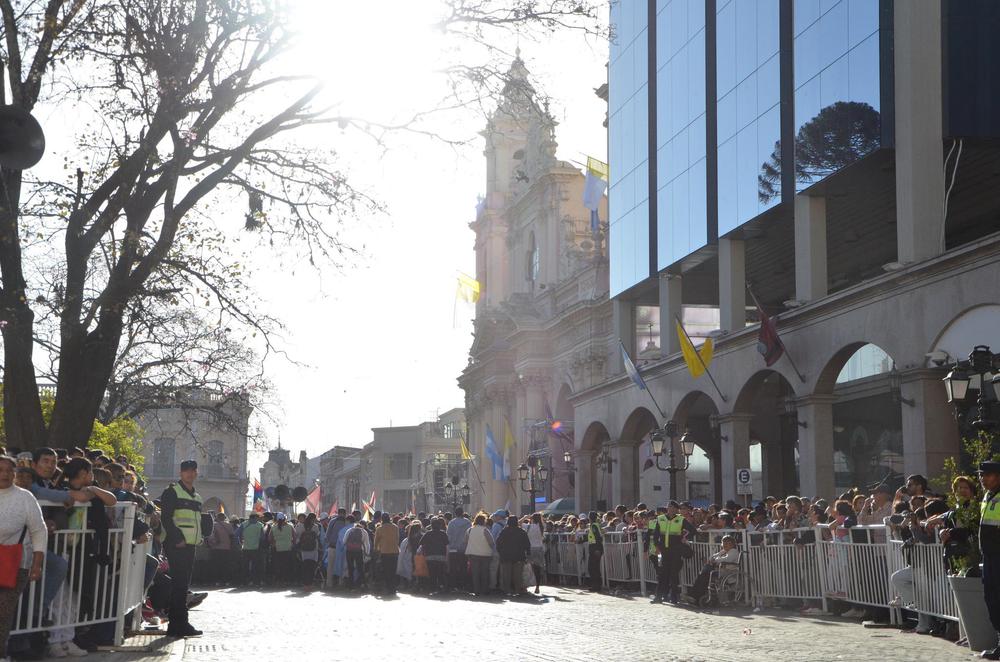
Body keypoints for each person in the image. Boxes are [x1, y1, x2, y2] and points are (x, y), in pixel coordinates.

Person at [0, 455, 46, 661]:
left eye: (10, 470)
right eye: (1, 470)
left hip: (15, 563)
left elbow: (39, 530)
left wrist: (37, 564)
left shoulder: (25, 497)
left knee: (3, 611)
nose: (5, 474)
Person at [159, 459, 205, 638]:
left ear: (196, 473)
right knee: (179, 584)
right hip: (177, 544)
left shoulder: (197, 497)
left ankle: (178, 625)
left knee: (182, 585)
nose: (190, 473)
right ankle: (179, 624)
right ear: (180, 473)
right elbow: (166, 518)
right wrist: (177, 538)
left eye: (193, 470)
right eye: (186, 470)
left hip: (190, 545)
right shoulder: (172, 492)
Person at [979, 461, 1000, 660]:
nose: (983, 479)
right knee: (992, 598)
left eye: (988, 475)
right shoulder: (987, 496)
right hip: (989, 556)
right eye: (981, 475)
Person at [687, 535, 740, 604]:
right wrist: (713, 560)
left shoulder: (734, 551)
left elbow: (725, 559)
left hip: (728, 572)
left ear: (732, 544)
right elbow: (712, 557)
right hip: (719, 570)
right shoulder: (724, 551)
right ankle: (694, 596)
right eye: (724, 543)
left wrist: (714, 560)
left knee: (705, 573)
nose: (725, 545)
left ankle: (695, 596)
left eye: (727, 543)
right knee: (703, 575)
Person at [496, 515, 530, 596]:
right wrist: (528, 554)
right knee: (517, 575)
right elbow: (527, 544)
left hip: (506, 556)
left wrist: (500, 552)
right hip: (519, 556)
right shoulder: (522, 532)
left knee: (506, 574)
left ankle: (507, 590)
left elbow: (498, 543)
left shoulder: (504, 531)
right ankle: (517, 590)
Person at [464, 514, 496, 596]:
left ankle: (476, 590)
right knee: (485, 572)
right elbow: (491, 542)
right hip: (485, 554)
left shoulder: (469, 530)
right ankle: (484, 589)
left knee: (475, 573)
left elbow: (466, 542)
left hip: (473, 554)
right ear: (484, 521)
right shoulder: (485, 530)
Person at [419, 517, 449, 594]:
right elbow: (447, 546)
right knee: (440, 573)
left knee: (432, 573)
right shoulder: (443, 534)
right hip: (441, 557)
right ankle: (441, 586)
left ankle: (432, 588)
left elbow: (421, 543)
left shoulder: (428, 534)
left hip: (430, 557)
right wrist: (447, 557)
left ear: (431, 526)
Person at [373, 512, 399, 595]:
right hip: (395, 551)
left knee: (386, 570)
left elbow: (376, 542)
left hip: (384, 552)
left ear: (382, 519)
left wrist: (376, 550)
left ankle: (388, 587)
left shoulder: (379, 529)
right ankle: (393, 587)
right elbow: (397, 539)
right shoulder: (395, 527)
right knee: (393, 570)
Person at [446, 508, 471, 591]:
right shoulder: (468, 522)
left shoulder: (451, 523)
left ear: (455, 513)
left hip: (453, 548)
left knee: (453, 568)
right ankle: (463, 584)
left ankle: (453, 585)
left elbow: (448, 536)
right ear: (463, 513)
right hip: (464, 548)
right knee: (463, 567)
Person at [206, 512, 234, 586]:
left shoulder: (214, 525)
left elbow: (209, 536)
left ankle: (216, 581)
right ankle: (225, 580)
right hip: (226, 548)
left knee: (216, 565)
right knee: (225, 565)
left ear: (217, 517)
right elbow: (232, 536)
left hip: (215, 548)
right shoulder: (229, 525)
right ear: (224, 518)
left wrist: (211, 544)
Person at [324, 508, 347, 589]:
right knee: (331, 566)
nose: (341, 515)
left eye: (342, 513)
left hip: (341, 548)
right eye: (340, 513)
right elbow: (327, 534)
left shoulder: (346, 522)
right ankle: (329, 583)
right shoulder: (333, 521)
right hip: (333, 547)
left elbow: (327, 535)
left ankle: (340, 583)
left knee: (341, 566)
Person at [269, 513, 294, 586]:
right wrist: (292, 544)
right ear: (285, 519)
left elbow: (269, 538)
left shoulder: (273, 527)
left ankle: (278, 581)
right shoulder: (290, 527)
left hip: (277, 549)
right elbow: (295, 537)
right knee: (286, 566)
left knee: (277, 566)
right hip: (288, 548)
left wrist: (274, 544)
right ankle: (286, 581)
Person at [241, 513, 265, 587]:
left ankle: (245, 582)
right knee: (255, 566)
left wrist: (241, 542)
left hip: (245, 548)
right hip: (255, 549)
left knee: (245, 566)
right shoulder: (260, 525)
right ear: (255, 518)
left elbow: (236, 534)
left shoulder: (243, 524)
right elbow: (262, 538)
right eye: (257, 518)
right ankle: (255, 582)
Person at [298, 513, 320, 589]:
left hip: (304, 550)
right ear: (313, 519)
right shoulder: (316, 527)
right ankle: (310, 584)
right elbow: (317, 536)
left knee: (305, 567)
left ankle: (305, 584)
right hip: (313, 550)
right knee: (311, 567)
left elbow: (298, 537)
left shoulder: (301, 526)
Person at [524, 512, 545, 594]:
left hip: (530, 548)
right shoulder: (541, 527)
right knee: (537, 568)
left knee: (528, 567)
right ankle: (537, 586)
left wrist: (525, 517)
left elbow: (518, 523)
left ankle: (527, 584)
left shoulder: (529, 526)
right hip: (539, 548)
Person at [585, 510, 603, 592]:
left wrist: (597, 549)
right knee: (593, 568)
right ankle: (596, 585)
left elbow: (598, 537)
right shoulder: (594, 525)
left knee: (593, 568)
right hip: (594, 548)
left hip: (595, 548)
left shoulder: (594, 526)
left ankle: (596, 586)